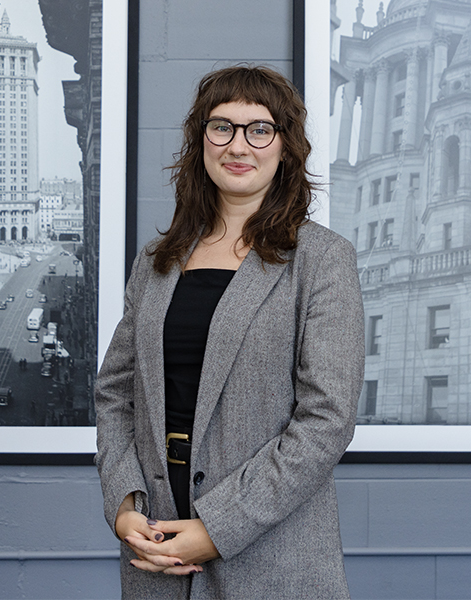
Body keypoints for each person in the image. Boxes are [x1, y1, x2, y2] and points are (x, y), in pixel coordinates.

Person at [95, 65, 365, 599]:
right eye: (221, 127)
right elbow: (114, 395)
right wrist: (123, 504)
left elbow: (326, 421)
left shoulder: (322, 260)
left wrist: (216, 529)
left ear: (285, 147)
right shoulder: (156, 261)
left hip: (271, 557)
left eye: (259, 129)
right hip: (155, 550)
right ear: (201, 142)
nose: (238, 145)